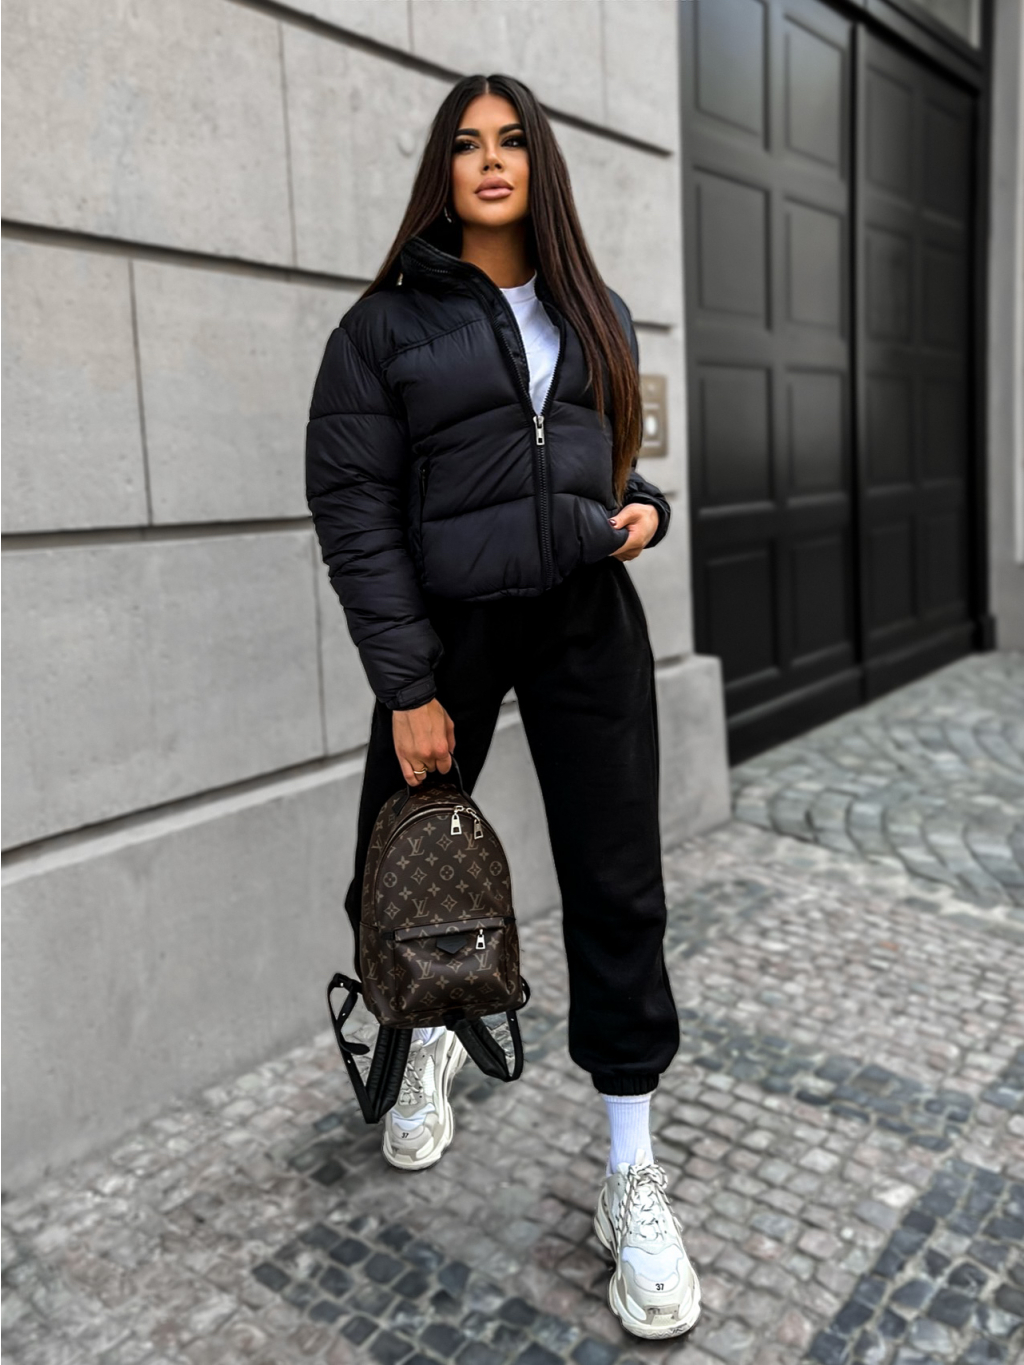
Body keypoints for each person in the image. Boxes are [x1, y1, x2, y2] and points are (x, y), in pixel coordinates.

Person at [305, 73, 701, 1340]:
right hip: (451, 628)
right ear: (444, 168)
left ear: (539, 165)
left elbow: (615, 462)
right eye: (468, 143)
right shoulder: (382, 329)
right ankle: (423, 1039)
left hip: (584, 614)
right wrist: (407, 686)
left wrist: (645, 514)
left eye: (512, 140)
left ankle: (629, 1171)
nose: (491, 159)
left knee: (618, 885)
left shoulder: (595, 310)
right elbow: (354, 509)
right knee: (398, 871)